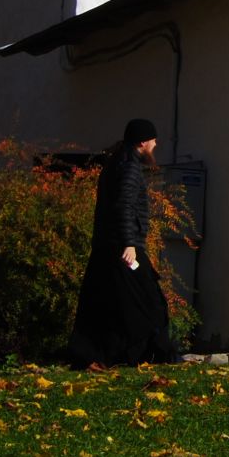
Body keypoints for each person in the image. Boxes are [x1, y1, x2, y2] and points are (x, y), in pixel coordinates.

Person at [68, 119, 179, 366]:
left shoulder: (115, 164)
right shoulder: (129, 168)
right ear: (142, 142)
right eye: (152, 139)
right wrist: (129, 244)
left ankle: (108, 354)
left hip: (107, 246)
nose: (155, 143)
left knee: (111, 302)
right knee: (150, 302)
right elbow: (124, 207)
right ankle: (149, 353)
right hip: (123, 248)